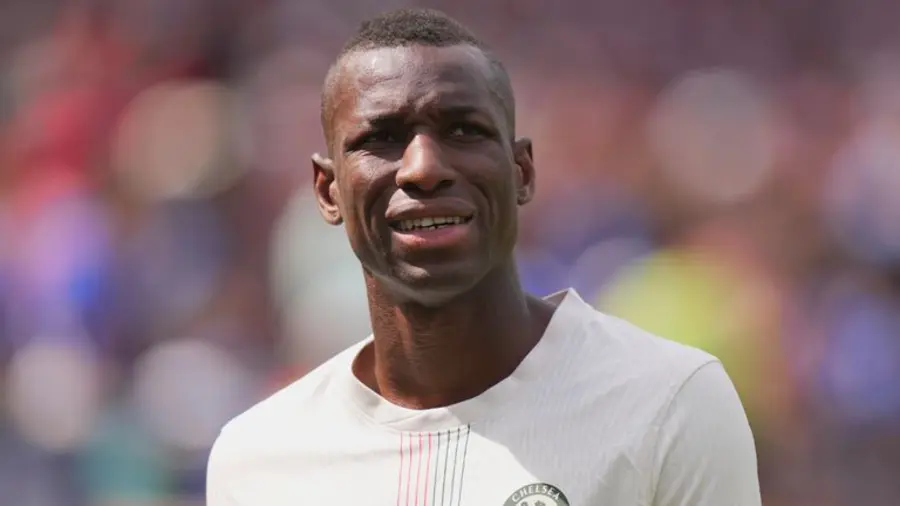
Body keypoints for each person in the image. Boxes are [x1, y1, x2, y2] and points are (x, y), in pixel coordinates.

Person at [206, 8, 761, 506]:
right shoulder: (258, 459)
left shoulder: (669, 402)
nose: (423, 168)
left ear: (522, 173)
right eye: (382, 137)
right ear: (328, 191)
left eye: (463, 131)